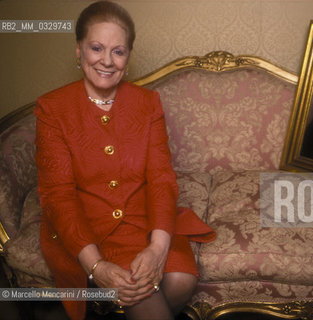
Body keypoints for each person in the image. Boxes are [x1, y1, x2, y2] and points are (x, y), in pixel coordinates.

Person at [34, 1, 215, 319]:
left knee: (181, 280)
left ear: (128, 58)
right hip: (89, 226)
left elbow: (161, 177)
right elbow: (58, 196)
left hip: (143, 218)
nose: (107, 61)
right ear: (79, 51)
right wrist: (96, 266)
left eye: (118, 51)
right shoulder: (52, 109)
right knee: (140, 290)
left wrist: (158, 249)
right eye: (96, 48)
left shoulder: (148, 103)